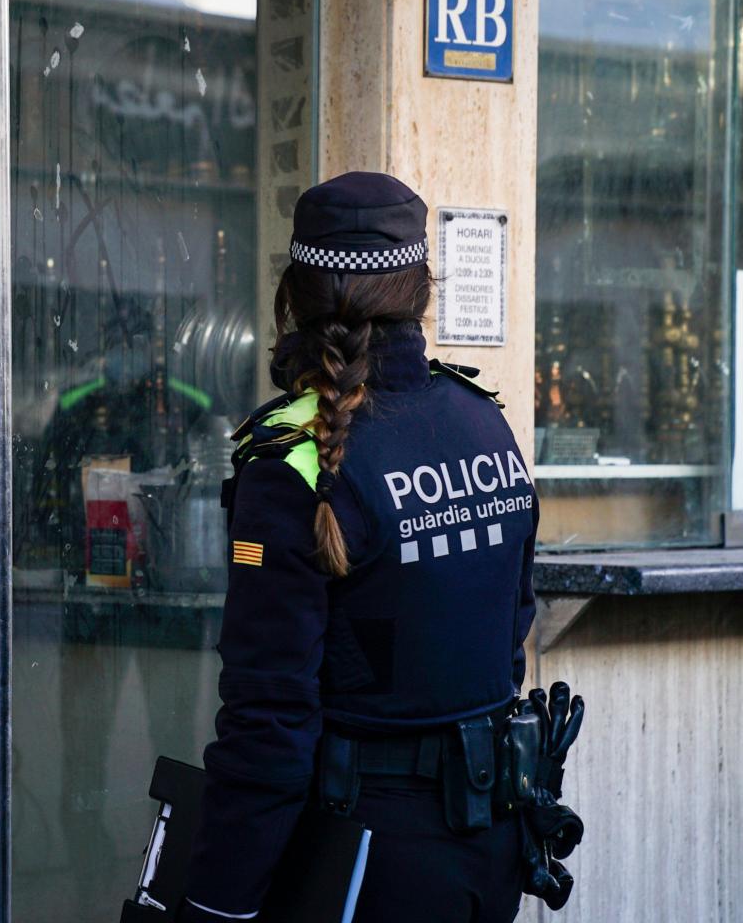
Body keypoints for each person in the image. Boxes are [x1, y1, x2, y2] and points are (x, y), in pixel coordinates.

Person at [178, 172, 543, 922]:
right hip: (491, 852)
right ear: (421, 290)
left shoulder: (293, 462)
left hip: (361, 866)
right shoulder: (483, 420)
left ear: (294, 299)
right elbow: (509, 636)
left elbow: (268, 720)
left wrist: (217, 904)